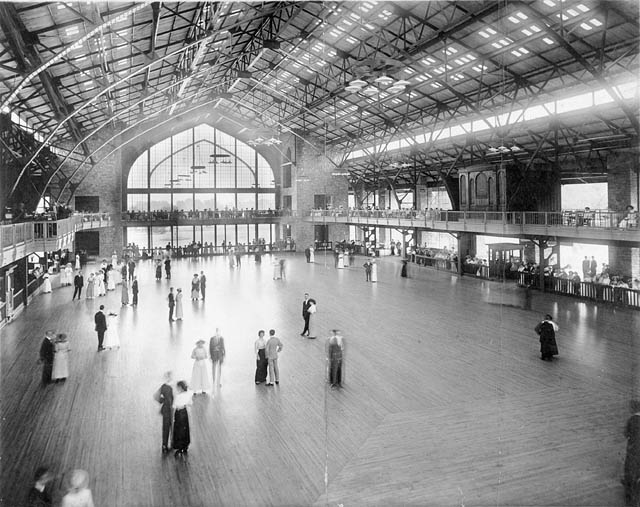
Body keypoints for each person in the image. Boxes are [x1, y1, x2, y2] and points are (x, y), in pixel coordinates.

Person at [623, 399, 640, 506]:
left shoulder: (632, 419)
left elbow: (626, 433)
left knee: (630, 469)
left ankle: (631, 500)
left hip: (634, 449)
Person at [155, 371, 174, 454]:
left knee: (166, 428)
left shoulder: (163, 387)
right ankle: (170, 444)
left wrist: (162, 401)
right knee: (170, 427)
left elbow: (156, 396)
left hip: (165, 410)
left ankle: (165, 445)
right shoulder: (170, 388)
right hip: (170, 411)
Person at [172, 380, 192, 457]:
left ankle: (179, 447)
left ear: (180, 388)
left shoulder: (178, 396)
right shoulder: (188, 394)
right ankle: (185, 445)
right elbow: (190, 403)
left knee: (178, 430)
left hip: (178, 413)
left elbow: (174, 406)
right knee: (185, 429)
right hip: (184, 412)